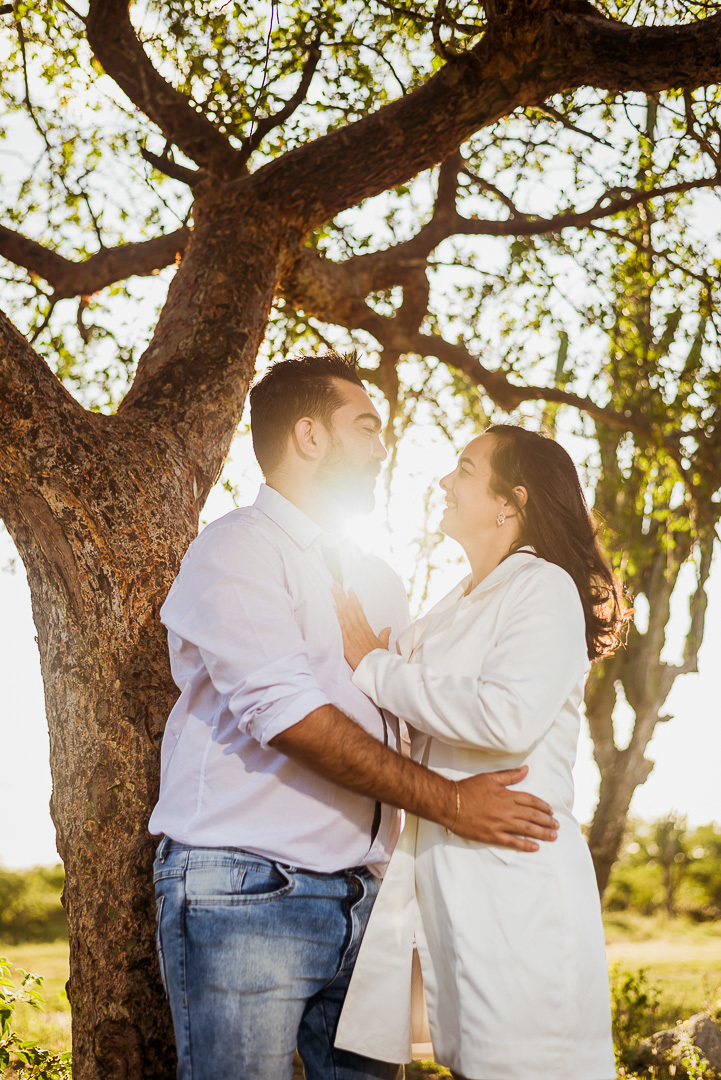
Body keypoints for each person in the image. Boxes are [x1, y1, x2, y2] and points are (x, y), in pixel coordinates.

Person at [148, 356, 559, 1080]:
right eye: (367, 428)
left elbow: (411, 713)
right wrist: (452, 803)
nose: (381, 448)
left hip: (368, 901)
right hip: (247, 890)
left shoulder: (377, 578)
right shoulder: (237, 549)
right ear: (309, 436)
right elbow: (289, 717)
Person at [333, 423, 627, 1080]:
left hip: (516, 880)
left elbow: (506, 715)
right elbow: (402, 700)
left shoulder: (543, 586)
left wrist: (376, 666)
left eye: (464, 469)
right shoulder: (452, 605)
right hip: (454, 885)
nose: (443, 480)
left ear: (510, 502)